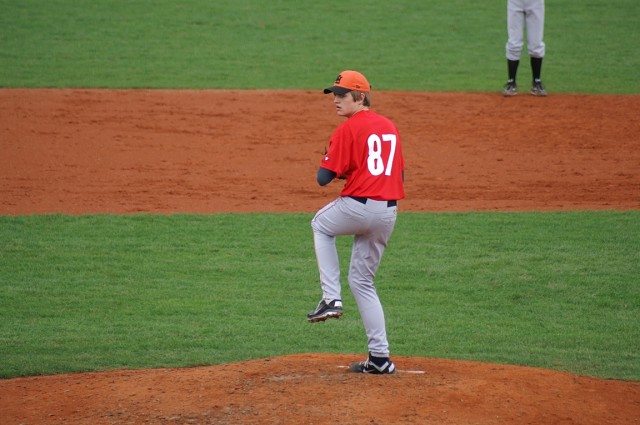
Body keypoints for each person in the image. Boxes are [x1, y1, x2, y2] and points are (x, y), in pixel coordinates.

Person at [307, 70, 405, 374]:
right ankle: (380, 359)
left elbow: (323, 178)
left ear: (360, 97)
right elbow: (396, 173)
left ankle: (331, 299)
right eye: (334, 95)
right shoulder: (390, 127)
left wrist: (331, 159)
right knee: (363, 282)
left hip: (358, 207)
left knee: (320, 225)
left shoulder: (347, 130)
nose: (336, 100)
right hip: (387, 212)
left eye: (342, 95)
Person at [503, 0, 547, 96]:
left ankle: (536, 81)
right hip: (515, 2)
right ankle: (511, 82)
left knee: (536, 44)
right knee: (514, 43)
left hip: (535, 2)